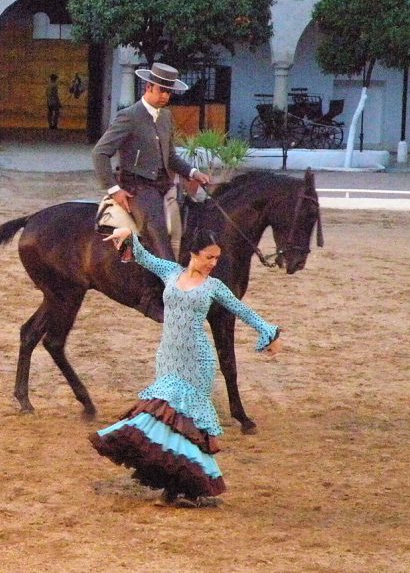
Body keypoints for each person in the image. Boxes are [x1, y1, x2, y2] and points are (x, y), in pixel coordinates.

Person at [90, 227, 282, 508]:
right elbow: (142, 257)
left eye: (216, 259)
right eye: (208, 257)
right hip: (168, 357)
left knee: (187, 424)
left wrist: (270, 333)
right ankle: (178, 485)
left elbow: (242, 310)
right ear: (194, 253)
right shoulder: (170, 272)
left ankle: (181, 487)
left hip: (197, 361)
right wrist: (128, 233)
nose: (212, 264)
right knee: (165, 419)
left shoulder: (214, 286)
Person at [92, 62, 211, 263]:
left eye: (169, 92)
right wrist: (114, 189)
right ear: (149, 87)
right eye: (161, 90)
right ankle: (167, 278)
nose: (165, 96)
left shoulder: (165, 116)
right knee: (157, 229)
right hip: (137, 187)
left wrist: (193, 173)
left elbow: (170, 157)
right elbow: (100, 153)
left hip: (164, 184)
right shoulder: (129, 116)